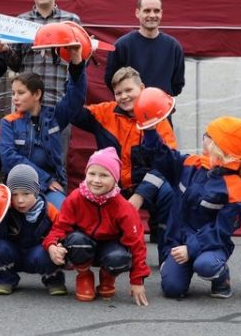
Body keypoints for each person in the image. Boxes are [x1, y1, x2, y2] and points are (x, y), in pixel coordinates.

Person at [139, 116, 241, 299]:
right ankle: (176, 267)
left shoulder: (235, 189)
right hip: (179, 242)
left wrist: (191, 249)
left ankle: (221, 278)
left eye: (208, 135)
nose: (204, 137)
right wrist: (149, 131)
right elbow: (162, 156)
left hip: (211, 245)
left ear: (218, 145)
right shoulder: (191, 164)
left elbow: (221, 231)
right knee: (172, 289)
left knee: (206, 265)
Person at [72, 66, 176, 256]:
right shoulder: (104, 112)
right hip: (113, 189)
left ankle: (167, 255)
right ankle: (91, 249)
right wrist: (77, 69)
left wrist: (140, 195)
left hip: (146, 189)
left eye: (129, 90)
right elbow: (73, 112)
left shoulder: (158, 117)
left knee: (169, 191)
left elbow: (165, 164)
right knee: (116, 256)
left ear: (142, 88)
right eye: (118, 93)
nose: (124, 96)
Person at [43, 148, 150, 305]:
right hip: (83, 244)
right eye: (92, 174)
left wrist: (137, 280)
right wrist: (51, 245)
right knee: (76, 240)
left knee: (119, 258)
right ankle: (84, 275)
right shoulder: (75, 198)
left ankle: (108, 275)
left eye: (104, 175)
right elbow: (58, 228)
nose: (96, 180)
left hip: (111, 246)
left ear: (115, 179)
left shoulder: (124, 207)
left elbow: (137, 244)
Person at [0, 45, 86, 210]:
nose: (15, 98)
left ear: (37, 94)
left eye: (21, 93)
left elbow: (75, 98)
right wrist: (44, 179)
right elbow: (9, 158)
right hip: (19, 188)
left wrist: (76, 62)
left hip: (52, 187)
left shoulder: (55, 117)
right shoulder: (8, 122)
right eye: (13, 93)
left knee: (61, 213)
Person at [0, 0, 82, 106]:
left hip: (60, 102)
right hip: (27, 102)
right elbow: (16, 65)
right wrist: (5, 50)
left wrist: (86, 52)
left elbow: (80, 64)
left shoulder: (71, 21)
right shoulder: (21, 22)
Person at [0, 164, 66, 296]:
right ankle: (6, 279)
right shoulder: (5, 210)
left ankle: (53, 279)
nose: (20, 200)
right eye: (14, 194)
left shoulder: (48, 209)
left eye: (26, 193)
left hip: (38, 254)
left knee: (49, 252)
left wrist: (56, 245)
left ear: (36, 191)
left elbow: (61, 230)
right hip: (13, 253)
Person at [105, 0, 185, 99]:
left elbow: (177, 85)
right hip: (130, 113)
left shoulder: (174, 47)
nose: (152, 15)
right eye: (147, 11)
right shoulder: (122, 46)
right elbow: (111, 81)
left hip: (162, 112)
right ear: (137, 13)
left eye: (156, 11)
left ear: (161, 13)